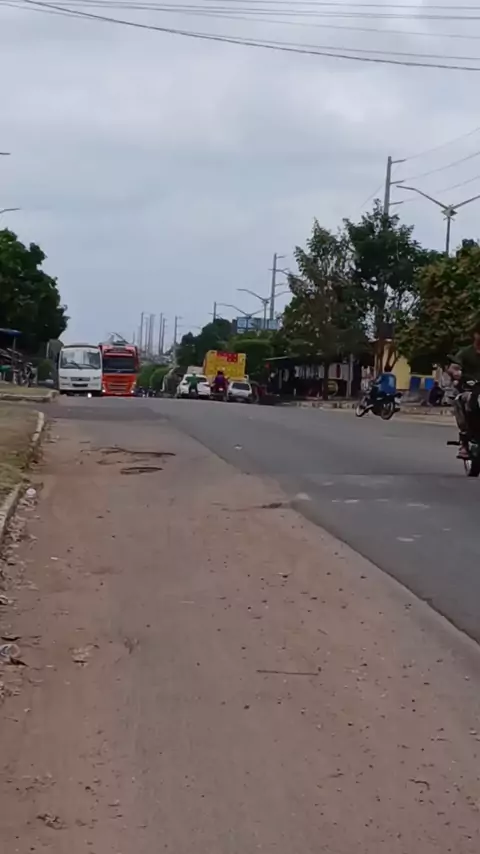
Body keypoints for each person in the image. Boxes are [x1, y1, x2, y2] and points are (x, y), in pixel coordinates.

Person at [448, 321, 480, 458]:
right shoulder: (466, 352)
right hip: (469, 388)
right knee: (460, 400)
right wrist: (456, 373)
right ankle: (464, 440)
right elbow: (453, 367)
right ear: (475, 335)